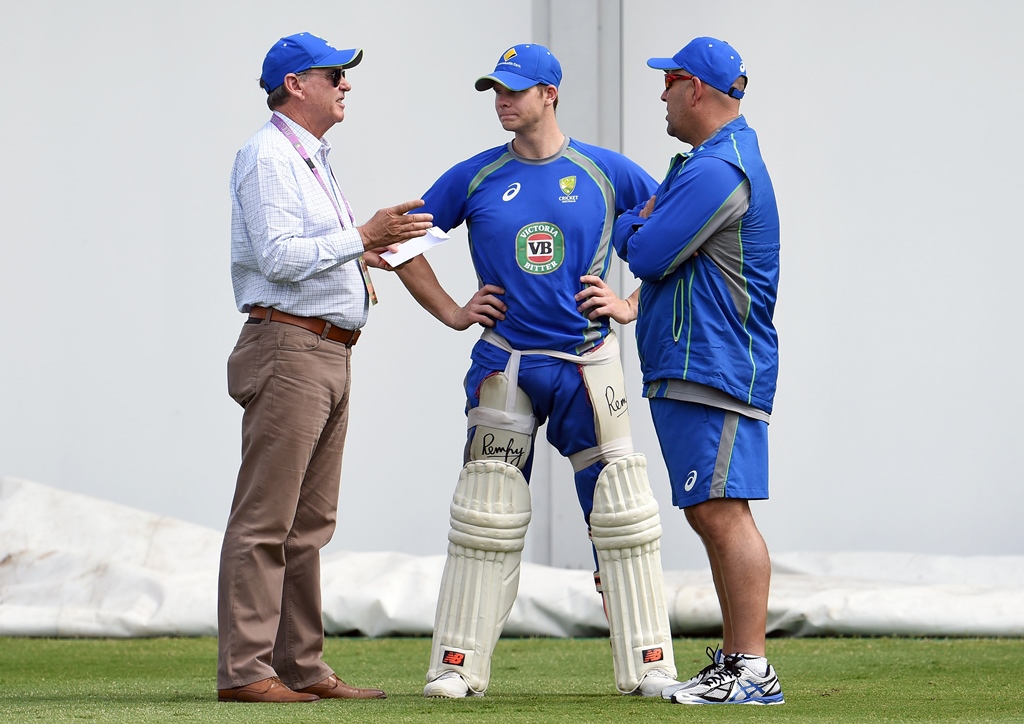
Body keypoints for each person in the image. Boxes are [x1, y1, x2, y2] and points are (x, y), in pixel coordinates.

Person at [393, 44, 680, 699]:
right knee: (486, 510)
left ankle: (649, 667)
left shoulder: (606, 172)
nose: (502, 101)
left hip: (589, 365)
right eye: (495, 90)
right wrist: (452, 311)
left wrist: (629, 303)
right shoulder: (475, 176)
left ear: (550, 93)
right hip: (508, 364)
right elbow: (402, 241)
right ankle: (457, 669)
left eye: (515, 91)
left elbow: (678, 235)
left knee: (622, 514)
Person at [217, 32, 433, 704]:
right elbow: (279, 256)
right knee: (266, 521)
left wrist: (363, 251)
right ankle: (248, 671)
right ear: (294, 85)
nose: (346, 84)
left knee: (307, 525)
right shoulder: (268, 156)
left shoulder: (306, 159)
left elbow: (303, 250)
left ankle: (301, 666)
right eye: (334, 74)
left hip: (323, 349)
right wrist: (363, 237)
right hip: (290, 349)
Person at [599, 37, 785, 705]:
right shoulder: (705, 163)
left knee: (722, 512)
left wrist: (629, 224)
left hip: (717, 364)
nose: (662, 95)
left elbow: (647, 253)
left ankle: (753, 671)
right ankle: (738, 664)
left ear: (697, 89)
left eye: (670, 82)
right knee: (709, 511)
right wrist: (644, 224)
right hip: (696, 362)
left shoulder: (716, 171)